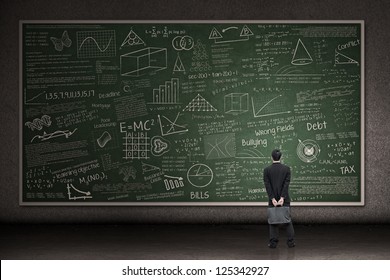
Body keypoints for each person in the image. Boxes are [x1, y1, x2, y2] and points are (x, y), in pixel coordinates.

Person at [263, 149, 295, 248]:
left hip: (272, 199)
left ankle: (273, 243)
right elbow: (286, 185)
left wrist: (272, 198)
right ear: (280, 157)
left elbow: (267, 186)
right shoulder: (286, 169)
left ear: (271, 157)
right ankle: (291, 242)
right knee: (287, 220)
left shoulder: (267, 170)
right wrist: (282, 198)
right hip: (284, 199)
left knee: (273, 222)